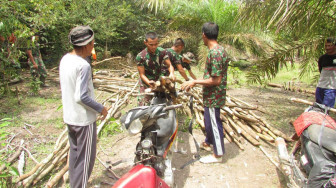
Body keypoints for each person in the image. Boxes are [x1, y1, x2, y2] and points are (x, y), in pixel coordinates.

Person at [59, 25, 108, 188]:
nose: (93, 47)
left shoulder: (65, 59)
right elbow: (81, 97)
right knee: (86, 160)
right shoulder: (83, 65)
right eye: (93, 44)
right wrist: (100, 108)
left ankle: (74, 185)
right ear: (86, 45)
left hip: (70, 118)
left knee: (74, 155)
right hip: (83, 121)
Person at [181, 22, 229, 163]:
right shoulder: (219, 50)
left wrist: (195, 82)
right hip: (211, 96)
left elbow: (216, 80)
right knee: (209, 122)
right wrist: (192, 82)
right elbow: (210, 77)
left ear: (204, 35)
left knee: (214, 123)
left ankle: (218, 155)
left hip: (214, 96)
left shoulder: (215, 53)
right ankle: (209, 143)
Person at [136, 31, 175, 106]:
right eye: (151, 45)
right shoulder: (141, 56)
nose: (154, 47)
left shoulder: (162, 52)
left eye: (156, 44)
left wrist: (172, 73)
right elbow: (142, 74)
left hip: (158, 81)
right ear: (145, 43)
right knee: (143, 105)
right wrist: (149, 83)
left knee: (163, 104)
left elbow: (169, 65)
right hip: (146, 82)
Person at [315, 37, 336, 108]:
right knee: (318, 108)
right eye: (326, 46)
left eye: (329, 45)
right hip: (320, 86)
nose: (327, 48)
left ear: (334, 46)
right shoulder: (322, 58)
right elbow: (321, 70)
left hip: (331, 88)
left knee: (326, 109)